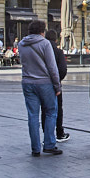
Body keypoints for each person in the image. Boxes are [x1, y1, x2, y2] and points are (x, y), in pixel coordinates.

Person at [18, 19, 62, 156]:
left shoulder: (21, 44)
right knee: (50, 112)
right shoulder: (45, 43)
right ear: (42, 31)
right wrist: (57, 85)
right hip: (44, 83)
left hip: (27, 82)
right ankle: (49, 144)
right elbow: (52, 67)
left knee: (32, 115)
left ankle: (35, 148)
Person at [44, 30, 69, 143]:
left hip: (43, 83)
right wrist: (58, 79)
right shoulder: (58, 52)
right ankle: (59, 132)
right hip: (56, 85)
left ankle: (47, 135)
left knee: (45, 109)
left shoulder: (42, 50)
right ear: (56, 39)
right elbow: (63, 69)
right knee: (58, 108)